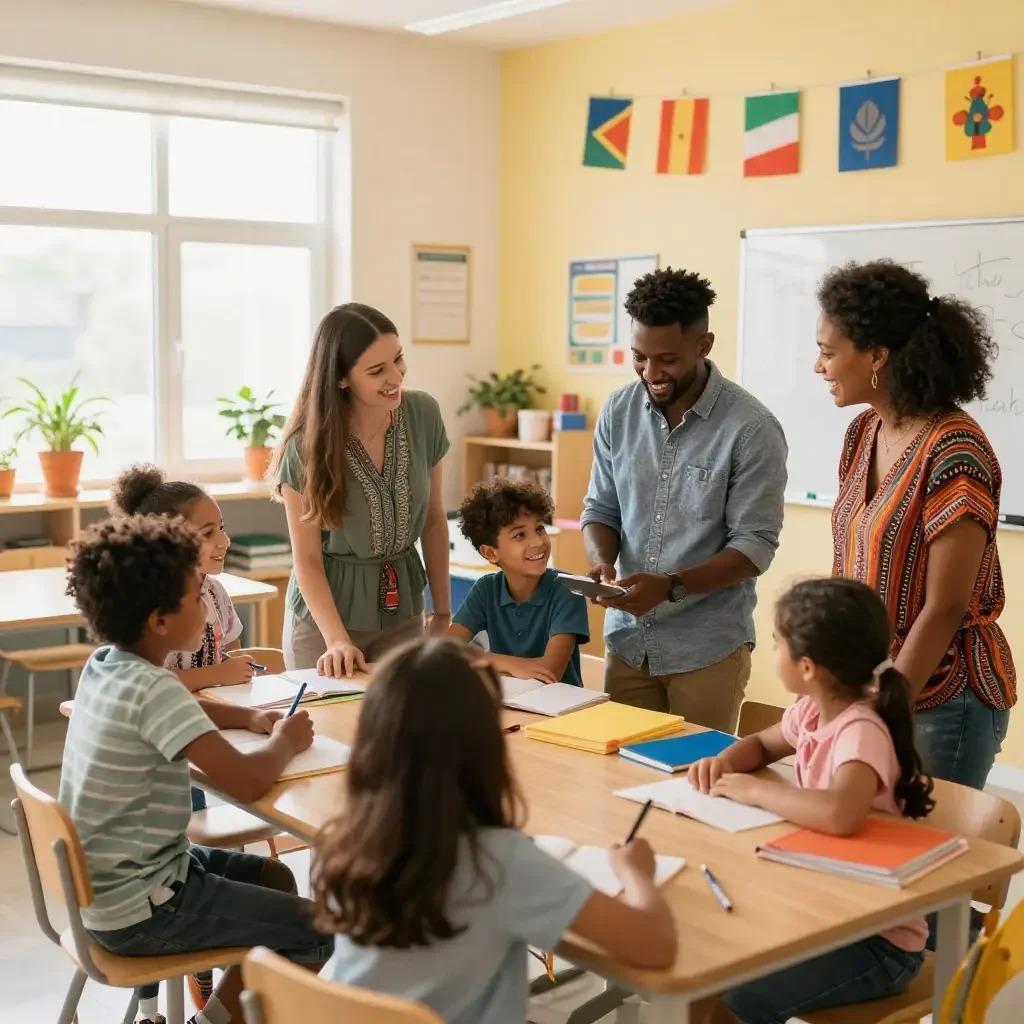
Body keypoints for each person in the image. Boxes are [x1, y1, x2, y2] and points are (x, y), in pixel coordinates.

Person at [312, 638, 677, 1023]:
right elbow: (657, 947)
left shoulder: (344, 839)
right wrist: (637, 875)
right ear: (485, 746)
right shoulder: (497, 862)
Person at [61, 515, 330, 1024]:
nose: (207, 607)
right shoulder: (157, 688)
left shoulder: (108, 665)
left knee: (276, 880)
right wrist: (284, 741)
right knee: (317, 927)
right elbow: (249, 781)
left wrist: (247, 715)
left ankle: (227, 1008)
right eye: (196, 596)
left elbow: (187, 711)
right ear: (160, 620)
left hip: (116, 889)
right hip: (143, 908)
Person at [689, 577, 933, 1024]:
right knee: (699, 969)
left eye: (779, 643)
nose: (773, 650)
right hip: (819, 911)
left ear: (807, 668)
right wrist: (724, 761)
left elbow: (841, 815)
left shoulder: (860, 729)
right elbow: (762, 746)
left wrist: (758, 791)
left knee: (733, 998)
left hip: (875, 942)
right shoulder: (810, 709)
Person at [816, 259, 1016, 791]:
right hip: (872, 689)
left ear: (878, 356)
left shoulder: (954, 448)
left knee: (917, 863)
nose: (819, 367)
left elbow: (946, 606)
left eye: (829, 352)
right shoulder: (864, 432)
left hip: (940, 698)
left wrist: (887, 707)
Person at [581, 267, 788, 732]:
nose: (651, 373)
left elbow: (755, 546)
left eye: (667, 360)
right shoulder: (618, 409)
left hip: (707, 651)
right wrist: (600, 562)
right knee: (615, 781)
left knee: (693, 789)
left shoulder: (752, 429)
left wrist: (672, 585)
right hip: (627, 644)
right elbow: (600, 509)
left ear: (704, 345)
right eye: (639, 357)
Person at [270, 303, 451, 678]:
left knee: (400, 733)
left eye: (398, 360)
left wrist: (443, 613)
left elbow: (434, 521)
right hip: (324, 628)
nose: (395, 377)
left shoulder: (424, 415)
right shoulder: (304, 449)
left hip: (404, 616)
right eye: (376, 370)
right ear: (341, 378)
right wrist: (337, 640)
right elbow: (307, 561)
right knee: (329, 735)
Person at [448, 478, 590, 685]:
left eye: (540, 528)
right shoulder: (486, 589)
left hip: (560, 710)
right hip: (508, 701)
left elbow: (548, 673)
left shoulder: (568, 589)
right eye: (520, 535)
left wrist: (485, 663)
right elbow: (447, 650)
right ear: (490, 552)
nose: (538, 542)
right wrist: (513, 664)